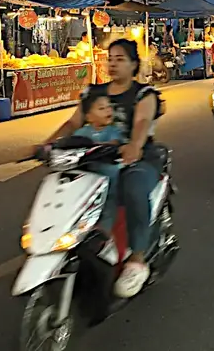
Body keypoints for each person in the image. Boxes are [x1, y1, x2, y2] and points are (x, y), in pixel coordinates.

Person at [38, 39, 163, 298]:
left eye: (120, 59)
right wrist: (48, 144)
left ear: (134, 64)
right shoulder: (94, 94)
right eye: (111, 58)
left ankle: (137, 259)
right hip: (92, 156)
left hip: (136, 159)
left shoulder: (144, 94)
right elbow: (73, 124)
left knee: (133, 187)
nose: (113, 64)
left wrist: (134, 147)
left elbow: (141, 122)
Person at [72, 92, 127, 234]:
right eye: (101, 108)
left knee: (109, 199)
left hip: (108, 173)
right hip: (88, 174)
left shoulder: (113, 131)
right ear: (89, 117)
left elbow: (114, 143)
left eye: (109, 107)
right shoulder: (82, 132)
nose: (108, 110)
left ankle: (104, 232)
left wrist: (99, 146)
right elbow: (72, 143)